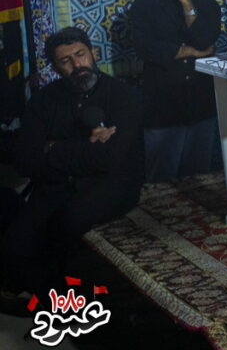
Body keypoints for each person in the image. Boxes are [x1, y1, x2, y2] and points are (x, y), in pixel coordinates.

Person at [1, 27, 143, 303]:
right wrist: (87, 146)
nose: (77, 65)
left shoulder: (123, 96)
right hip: (55, 185)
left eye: (80, 55)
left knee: (68, 223)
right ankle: (54, 299)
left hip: (111, 184)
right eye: (66, 60)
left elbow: (110, 160)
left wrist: (52, 148)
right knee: (14, 249)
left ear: (93, 53)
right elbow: (26, 161)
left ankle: (77, 300)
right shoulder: (44, 100)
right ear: (56, 67)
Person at [130, 0, 221, 183]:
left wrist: (186, 2)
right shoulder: (143, 7)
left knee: (200, 177)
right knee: (161, 179)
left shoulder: (209, 7)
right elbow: (146, 49)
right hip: (162, 106)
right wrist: (191, 51)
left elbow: (204, 41)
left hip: (201, 104)